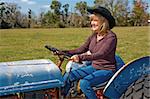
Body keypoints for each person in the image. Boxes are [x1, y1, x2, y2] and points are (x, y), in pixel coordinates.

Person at [62, 6, 117, 99]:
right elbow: (81, 49)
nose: (92, 23)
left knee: (84, 83)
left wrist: (80, 58)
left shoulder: (111, 37)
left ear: (103, 22)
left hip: (106, 70)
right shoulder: (94, 36)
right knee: (69, 75)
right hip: (94, 67)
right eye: (92, 20)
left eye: (95, 20)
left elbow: (101, 54)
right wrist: (63, 52)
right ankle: (62, 96)